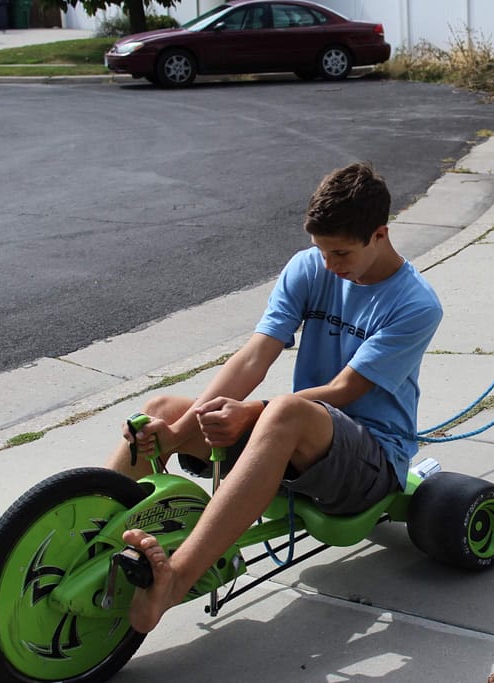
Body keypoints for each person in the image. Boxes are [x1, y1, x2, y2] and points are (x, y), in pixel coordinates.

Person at [107, 162, 443, 634]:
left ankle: (175, 580)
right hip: (294, 436)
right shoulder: (311, 266)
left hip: (371, 460)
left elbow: (345, 391)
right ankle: (94, 542)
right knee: (160, 411)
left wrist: (255, 413)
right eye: (320, 250)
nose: (329, 265)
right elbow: (254, 357)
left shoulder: (415, 304)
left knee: (284, 411)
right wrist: (177, 433)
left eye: (341, 252)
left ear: (380, 235)